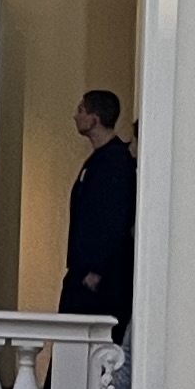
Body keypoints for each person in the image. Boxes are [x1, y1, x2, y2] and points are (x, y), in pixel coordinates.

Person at [63, 88, 138, 330]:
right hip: (83, 272)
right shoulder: (100, 160)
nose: (76, 116)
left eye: (81, 110)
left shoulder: (115, 163)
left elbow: (115, 219)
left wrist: (97, 269)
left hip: (98, 281)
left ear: (95, 118)